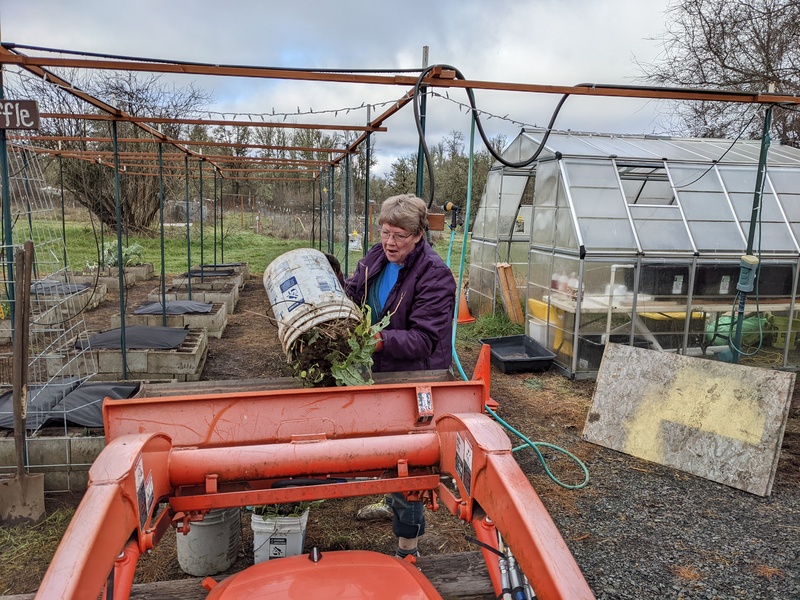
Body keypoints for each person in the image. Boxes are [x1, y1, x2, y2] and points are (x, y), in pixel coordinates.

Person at [344, 193, 457, 559]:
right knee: (384, 447)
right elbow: (354, 290)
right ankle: (391, 503)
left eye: (400, 236)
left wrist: (376, 340)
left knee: (407, 456)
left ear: (419, 235)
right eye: (384, 232)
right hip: (381, 369)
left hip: (414, 376)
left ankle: (408, 546)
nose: (389, 242)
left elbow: (425, 340)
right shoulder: (378, 256)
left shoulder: (435, 275)